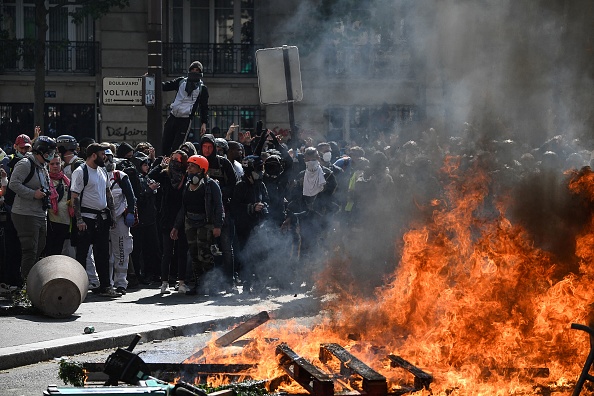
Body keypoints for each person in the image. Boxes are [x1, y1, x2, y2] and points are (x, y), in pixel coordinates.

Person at [70, 143, 120, 297]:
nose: (104, 157)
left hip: (102, 219)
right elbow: (74, 197)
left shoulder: (102, 171)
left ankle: (105, 286)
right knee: (82, 254)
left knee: (103, 254)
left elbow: (107, 193)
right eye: (102, 154)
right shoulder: (81, 172)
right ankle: (78, 287)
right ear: (93, 155)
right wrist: (79, 220)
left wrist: (111, 215)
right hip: (86, 219)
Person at [171, 155, 223, 295]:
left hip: (205, 224)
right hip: (190, 223)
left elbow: (219, 206)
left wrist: (218, 225)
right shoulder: (188, 185)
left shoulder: (211, 185)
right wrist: (176, 226)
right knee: (194, 255)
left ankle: (211, 285)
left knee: (205, 255)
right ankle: (198, 284)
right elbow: (184, 207)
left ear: (201, 170)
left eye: (192, 166)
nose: (188, 169)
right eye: (188, 166)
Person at [9, 136, 56, 282]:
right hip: (25, 213)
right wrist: (33, 194)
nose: (52, 155)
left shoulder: (42, 166)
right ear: (41, 151)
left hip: (40, 213)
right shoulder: (25, 164)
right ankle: (26, 287)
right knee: (30, 250)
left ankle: (32, 283)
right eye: (49, 152)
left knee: (39, 248)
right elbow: (13, 184)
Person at [148, 149, 190, 294]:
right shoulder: (165, 175)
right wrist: (160, 165)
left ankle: (182, 281)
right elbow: (151, 175)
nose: (173, 163)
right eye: (172, 160)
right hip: (166, 218)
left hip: (182, 217)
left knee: (181, 251)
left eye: (177, 160)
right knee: (167, 251)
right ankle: (164, 281)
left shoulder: (187, 177)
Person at [104, 149, 136, 295]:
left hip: (119, 218)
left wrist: (130, 213)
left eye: (110, 158)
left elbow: (131, 197)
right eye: (104, 158)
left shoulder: (120, 176)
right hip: (104, 218)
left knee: (122, 250)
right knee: (106, 253)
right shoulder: (97, 175)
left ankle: (121, 283)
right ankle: (107, 283)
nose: (108, 162)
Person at [161, 61, 209, 155]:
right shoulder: (181, 81)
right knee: (165, 143)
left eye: (197, 70)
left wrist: (204, 123)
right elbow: (166, 86)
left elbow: (204, 107)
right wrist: (153, 81)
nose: (194, 72)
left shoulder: (202, 88)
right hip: (173, 116)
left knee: (177, 146)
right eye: (192, 70)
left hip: (185, 120)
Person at [42, 154, 72, 257]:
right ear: (47, 165)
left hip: (65, 221)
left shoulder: (66, 180)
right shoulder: (44, 180)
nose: (55, 166)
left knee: (59, 251)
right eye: (52, 164)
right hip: (50, 222)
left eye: (57, 163)